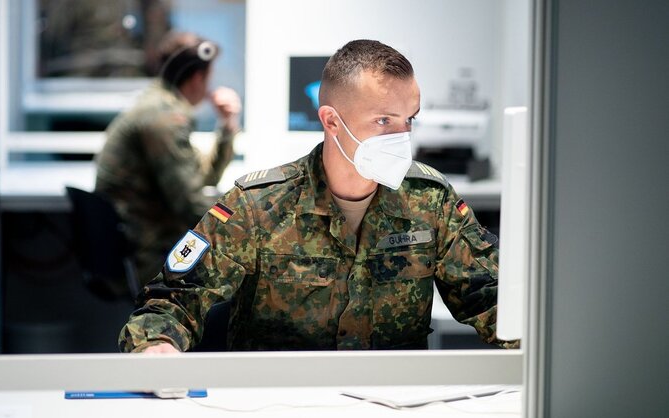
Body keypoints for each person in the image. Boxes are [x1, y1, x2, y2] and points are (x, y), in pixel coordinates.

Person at [119, 39, 518, 353]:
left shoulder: (431, 201)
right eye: (383, 120)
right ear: (331, 121)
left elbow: (491, 297)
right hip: (279, 402)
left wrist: (536, 345)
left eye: (408, 120)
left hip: (395, 401)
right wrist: (158, 346)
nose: (402, 137)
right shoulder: (258, 206)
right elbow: (172, 301)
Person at [94, 32, 241, 287]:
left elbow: (204, 177)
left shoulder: (160, 103)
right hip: (148, 249)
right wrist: (248, 219)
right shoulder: (163, 118)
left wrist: (227, 125)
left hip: (139, 239)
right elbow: (190, 205)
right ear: (197, 78)